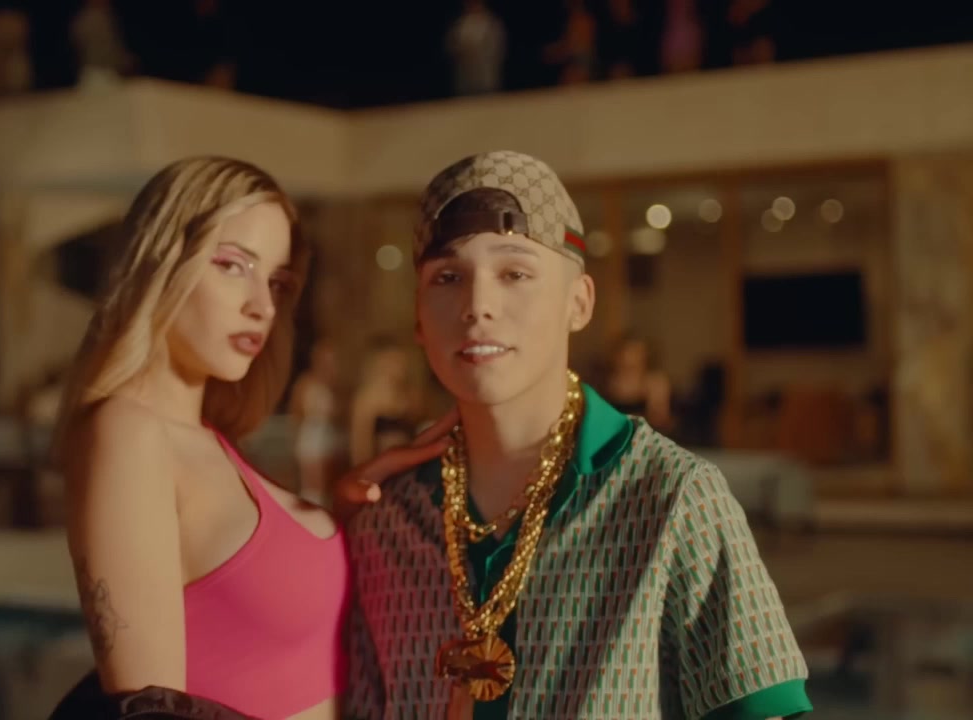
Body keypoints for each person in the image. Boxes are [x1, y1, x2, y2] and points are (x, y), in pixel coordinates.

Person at [340, 150, 813, 719]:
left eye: (515, 273)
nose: (477, 305)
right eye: (448, 277)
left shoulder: (670, 498)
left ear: (579, 302)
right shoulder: (386, 523)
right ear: (419, 317)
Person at [51, 156, 337, 719]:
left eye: (278, 282)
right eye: (233, 265)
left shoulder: (213, 443)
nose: (262, 306)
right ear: (162, 262)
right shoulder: (129, 433)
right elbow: (148, 711)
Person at [348, 339, 424, 467]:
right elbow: (360, 447)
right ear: (381, 363)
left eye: (401, 360)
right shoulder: (367, 398)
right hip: (381, 466)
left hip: (409, 465)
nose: (401, 366)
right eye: (394, 361)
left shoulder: (409, 394)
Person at [288, 339, 342, 504]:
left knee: (328, 481)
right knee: (312, 482)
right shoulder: (305, 382)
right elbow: (295, 411)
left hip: (329, 433)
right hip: (311, 434)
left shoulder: (333, 385)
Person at [605, 333, 675, 430]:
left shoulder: (655, 382)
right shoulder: (608, 384)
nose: (629, 358)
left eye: (635, 354)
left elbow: (661, 421)